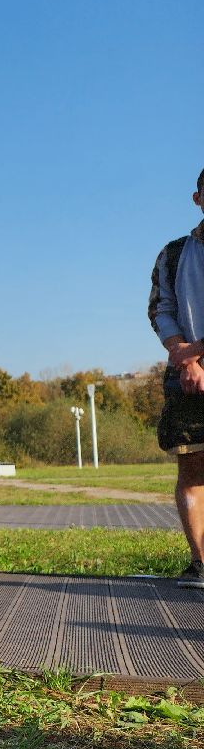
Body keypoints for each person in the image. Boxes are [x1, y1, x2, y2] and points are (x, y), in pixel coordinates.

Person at [148, 166, 204, 588]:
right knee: (193, 468)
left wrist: (195, 352)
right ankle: (201, 563)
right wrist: (182, 357)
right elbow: (160, 309)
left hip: (193, 359)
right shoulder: (173, 253)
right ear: (197, 198)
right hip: (187, 376)